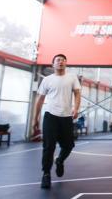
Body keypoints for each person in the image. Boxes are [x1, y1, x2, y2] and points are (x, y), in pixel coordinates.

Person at [33, 53, 81, 189]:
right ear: (53, 64)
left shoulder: (72, 78)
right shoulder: (47, 80)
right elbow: (40, 99)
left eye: (63, 60)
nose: (61, 62)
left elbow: (77, 93)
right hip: (50, 116)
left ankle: (59, 160)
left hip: (66, 117)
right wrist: (36, 118)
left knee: (69, 145)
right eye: (58, 60)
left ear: (66, 63)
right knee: (49, 147)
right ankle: (46, 174)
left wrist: (76, 108)